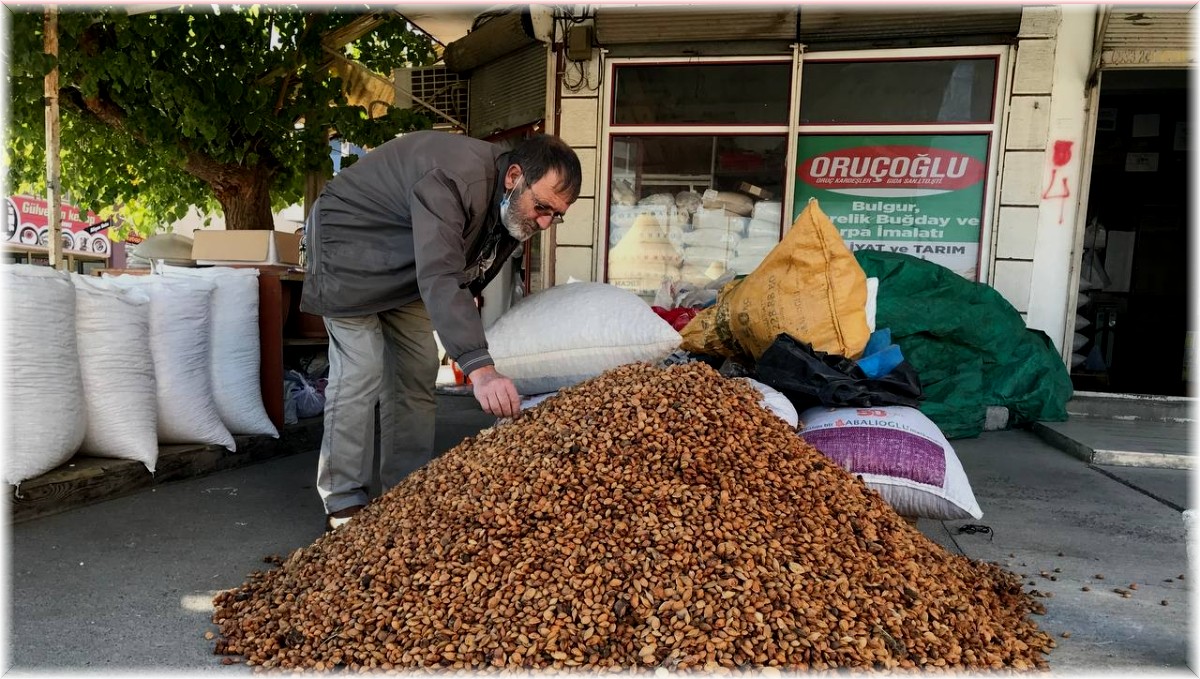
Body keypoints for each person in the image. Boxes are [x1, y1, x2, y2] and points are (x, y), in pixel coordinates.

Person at [300, 131, 582, 530]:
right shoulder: (453, 178)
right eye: (542, 207)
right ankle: (344, 502)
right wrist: (480, 368)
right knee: (361, 369)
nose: (545, 222)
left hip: (403, 264)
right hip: (347, 244)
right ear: (513, 176)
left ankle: (405, 491)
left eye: (556, 215)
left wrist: (465, 330)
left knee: (417, 370)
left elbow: (470, 273)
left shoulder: (508, 209)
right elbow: (440, 274)